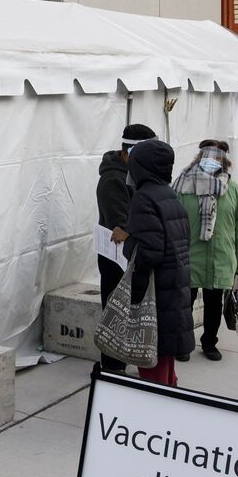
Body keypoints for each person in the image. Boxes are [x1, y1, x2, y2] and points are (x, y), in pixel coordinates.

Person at [122, 139, 195, 384]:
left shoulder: (143, 198)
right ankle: (169, 399)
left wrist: (130, 245)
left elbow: (150, 252)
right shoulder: (169, 194)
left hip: (156, 293)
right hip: (175, 286)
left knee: (150, 358)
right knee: (164, 354)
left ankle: (155, 413)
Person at [175, 139, 238, 362]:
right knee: (184, 303)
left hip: (220, 257)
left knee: (214, 304)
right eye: (208, 158)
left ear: (224, 162)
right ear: (199, 159)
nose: (212, 162)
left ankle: (209, 342)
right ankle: (183, 343)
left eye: (217, 159)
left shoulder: (232, 188)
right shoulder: (182, 186)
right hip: (189, 255)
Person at [94, 124, 156, 374]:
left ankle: (122, 357)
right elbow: (118, 223)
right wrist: (143, 224)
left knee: (129, 310)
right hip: (115, 258)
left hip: (131, 255)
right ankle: (112, 365)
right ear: (129, 152)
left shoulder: (136, 174)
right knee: (114, 310)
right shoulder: (112, 179)